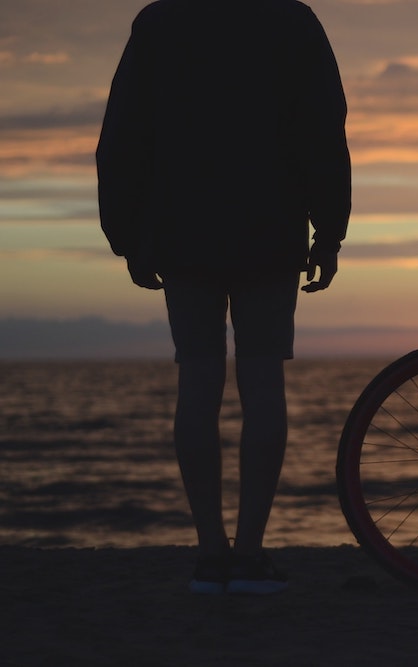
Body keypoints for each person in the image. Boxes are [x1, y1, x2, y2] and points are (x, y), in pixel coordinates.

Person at [96, 0, 351, 595]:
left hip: (183, 232)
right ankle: (250, 553)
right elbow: (322, 127)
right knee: (262, 384)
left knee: (199, 381)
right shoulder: (290, 20)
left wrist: (127, 236)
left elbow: (123, 134)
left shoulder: (161, 22)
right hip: (269, 226)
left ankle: (212, 554)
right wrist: (330, 229)